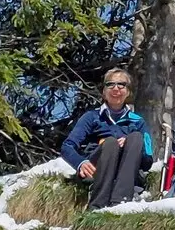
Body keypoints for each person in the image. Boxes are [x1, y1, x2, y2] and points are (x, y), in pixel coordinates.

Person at [61, 69, 153, 210]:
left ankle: (120, 202)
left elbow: (147, 161)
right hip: (97, 169)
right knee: (110, 143)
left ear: (128, 92)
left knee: (135, 137)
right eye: (111, 84)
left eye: (121, 84)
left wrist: (130, 144)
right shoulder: (92, 117)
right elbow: (67, 146)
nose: (116, 88)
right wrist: (81, 163)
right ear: (104, 91)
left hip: (128, 173)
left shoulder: (138, 122)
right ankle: (98, 204)